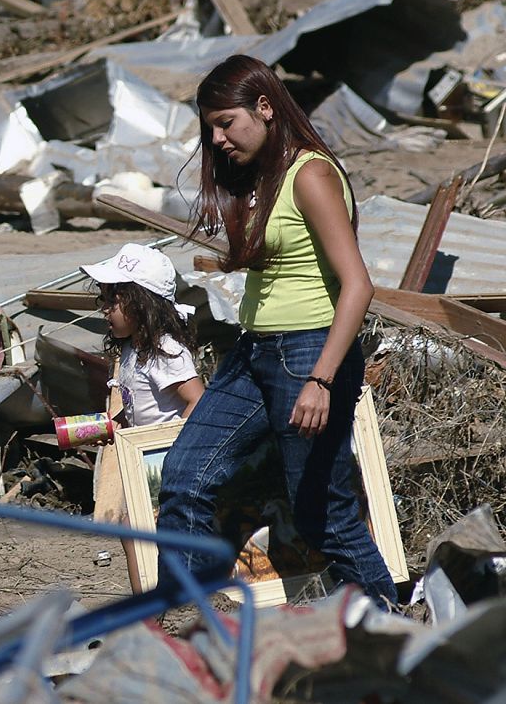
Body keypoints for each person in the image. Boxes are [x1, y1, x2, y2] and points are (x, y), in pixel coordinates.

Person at [156, 54, 397, 606]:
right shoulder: (264, 178)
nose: (217, 138)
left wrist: (322, 380)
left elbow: (358, 285)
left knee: (323, 516)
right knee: (185, 476)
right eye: (209, 127)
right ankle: (189, 624)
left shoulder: (310, 174)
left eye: (226, 123)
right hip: (254, 353)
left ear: (265, 108)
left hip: (309, 353)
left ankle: (396, 622)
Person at [82, 243, 205, 428]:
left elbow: (198, 401)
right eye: (104, 300)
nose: (104, 309)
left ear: (143, 305)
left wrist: (175, 446)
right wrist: (117, 424)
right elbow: (140, 405)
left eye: (112, 302)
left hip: (163, 451)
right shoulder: (131, 347)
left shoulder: (165, 350)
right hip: (144, 451)